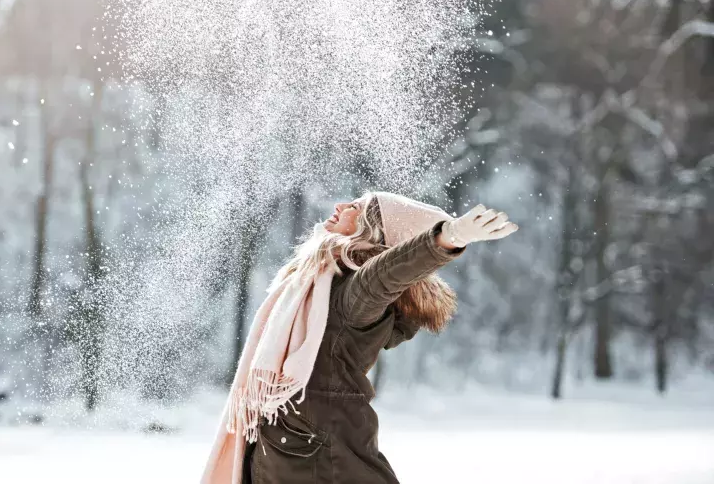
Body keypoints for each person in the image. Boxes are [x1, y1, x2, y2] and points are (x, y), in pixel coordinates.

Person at [202, 191, 518, 484]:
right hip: (297, 446)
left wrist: (446, 238)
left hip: (316, 453)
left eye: (356, 208)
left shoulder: (352, 296)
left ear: (371, 232)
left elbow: (384, 275)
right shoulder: (318, 285)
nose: (340, 207)